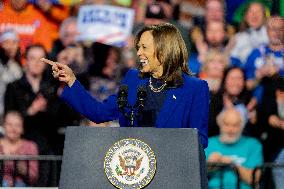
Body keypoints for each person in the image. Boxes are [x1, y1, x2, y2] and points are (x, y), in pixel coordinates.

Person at [41, 23, 210, 148]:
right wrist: (71, 80)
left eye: (144, 47)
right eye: (138, 47)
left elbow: (199, 140)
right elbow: (99, 113)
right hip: (133, 172)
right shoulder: (134, 79)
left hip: (171, 175)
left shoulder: (195, 88)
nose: (138, 53)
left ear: (164, 50)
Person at [206, 107, 263, 189]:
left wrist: (232, 164)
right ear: (219, 123)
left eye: (235, 125)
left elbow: (254, 179)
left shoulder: (253, 145)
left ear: (242, 126)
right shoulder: (208, 143)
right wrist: (209, 165)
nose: (230, 129)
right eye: (226, 124)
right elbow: (194, 176)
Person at [0, 111, 38, 187]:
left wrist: (22, 168)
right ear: (3, 126)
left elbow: (33, 177)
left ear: (22, 128)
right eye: (9, 124)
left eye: (17, 125)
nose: (13, 129)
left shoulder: (30, 146)